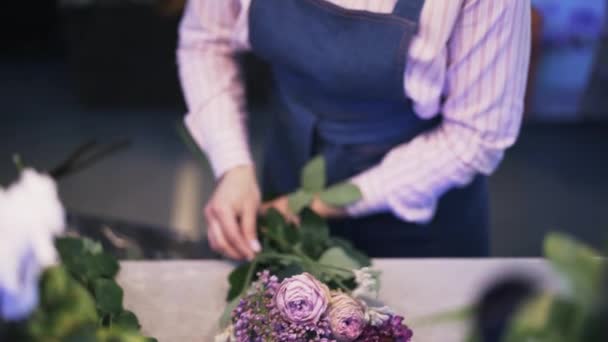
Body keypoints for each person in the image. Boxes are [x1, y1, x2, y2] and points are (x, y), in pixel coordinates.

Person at [177, 0, 531, 260]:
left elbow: (475, 135)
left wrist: (328, 203)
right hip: (286, 170)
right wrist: (233, 166)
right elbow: (207, 42)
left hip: (421, 209)